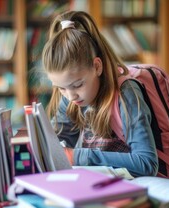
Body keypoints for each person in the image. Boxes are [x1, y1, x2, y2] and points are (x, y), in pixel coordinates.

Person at [41, 11, 158, 177]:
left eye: (77, 85)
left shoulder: (126, 93)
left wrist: (78, 156)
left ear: (97, 67)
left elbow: (147, 163)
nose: (70, 96)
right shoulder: (71, 95)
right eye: (61, 88)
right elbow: (56, 140)